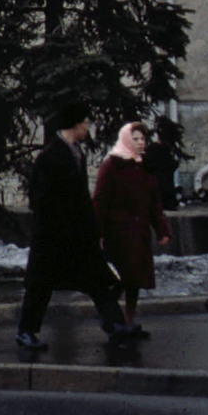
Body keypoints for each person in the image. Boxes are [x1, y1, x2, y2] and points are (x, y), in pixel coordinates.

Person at [16, 103, 134, 351]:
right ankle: (26, 332)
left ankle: (115, 325)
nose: (88, 127)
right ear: (75, 124)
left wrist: (93, 230)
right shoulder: (50, 156)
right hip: (53, 235)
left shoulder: (75, 152)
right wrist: (61, 225)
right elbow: (40, 200)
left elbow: (81, 199)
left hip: (77, 234)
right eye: (86, 123)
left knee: (98, 280)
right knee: (40, 286)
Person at [93, 122, 171, 336]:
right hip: (117, 233)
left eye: (143, 139)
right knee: (119, 279)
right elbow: (100, 200)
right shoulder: (113, 164)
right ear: (126, 139)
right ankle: (111, 320)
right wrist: (97, 232)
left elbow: (154, 202)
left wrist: (162, 229)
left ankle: (129, 321)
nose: (140, 143)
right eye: (135, 139)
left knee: (134, 280)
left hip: (139, 233)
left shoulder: (144, 165)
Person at [142, 116, 182, 212]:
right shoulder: (167, 149)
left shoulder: (155, 148)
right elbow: (173, 165)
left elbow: (147, 164)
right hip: (167, 188)